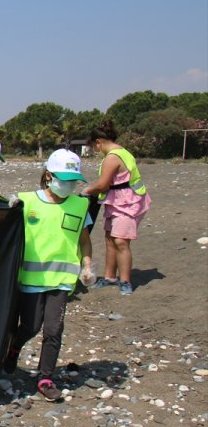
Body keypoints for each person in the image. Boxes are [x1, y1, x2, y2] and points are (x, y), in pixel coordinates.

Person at [4, 149, 94, 401]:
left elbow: (84, 241)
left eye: (73, 181)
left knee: (54, 328)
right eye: (62, 179)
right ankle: (14, 347)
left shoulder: (80, 205)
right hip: (31, 280)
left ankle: (45, 377)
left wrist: (87, 265)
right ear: (48, 176)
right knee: (31, 326)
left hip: (62, 281)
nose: (67, 185)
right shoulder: (26, 201)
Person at [81, 120, 151, 295]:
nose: (95, 151)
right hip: (116, 201)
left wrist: (87, 190)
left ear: (98, 142)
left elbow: (103, 185)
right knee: (110, 239)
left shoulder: (112, 157)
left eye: (94, 146)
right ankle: (109, 276)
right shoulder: (121, 151)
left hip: (128, 203)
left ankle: (125, 280)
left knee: (120, 241)